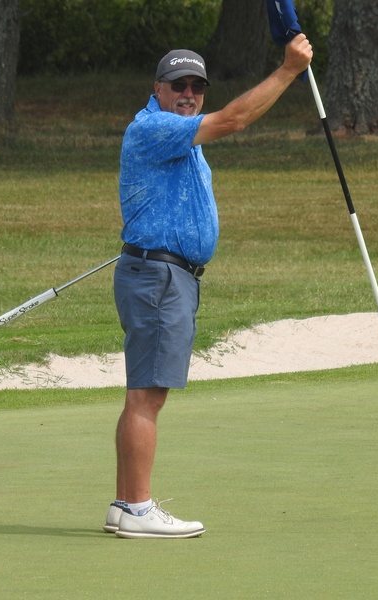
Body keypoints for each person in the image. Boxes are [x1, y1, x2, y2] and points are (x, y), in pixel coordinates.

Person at [104, 34, 313, 539]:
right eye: (178, 85)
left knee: (144, 394)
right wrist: (289, 70)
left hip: (163, 275)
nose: (188, 94)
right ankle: (137, 510)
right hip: (158, 278)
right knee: (147, 396)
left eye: (196, 87)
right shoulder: (155, 127)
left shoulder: (181, 136)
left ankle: (124, 505)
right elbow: (234, 119)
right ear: (157, 88)